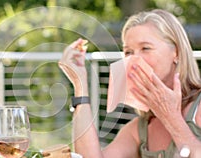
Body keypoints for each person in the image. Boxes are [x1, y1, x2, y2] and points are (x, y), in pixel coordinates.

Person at [59, 9, 201, 158]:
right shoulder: (139, 129)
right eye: (128, 52)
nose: (134, 61)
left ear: (176, 52)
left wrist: (171, 118)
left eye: (145, 48)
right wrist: (80, 84)